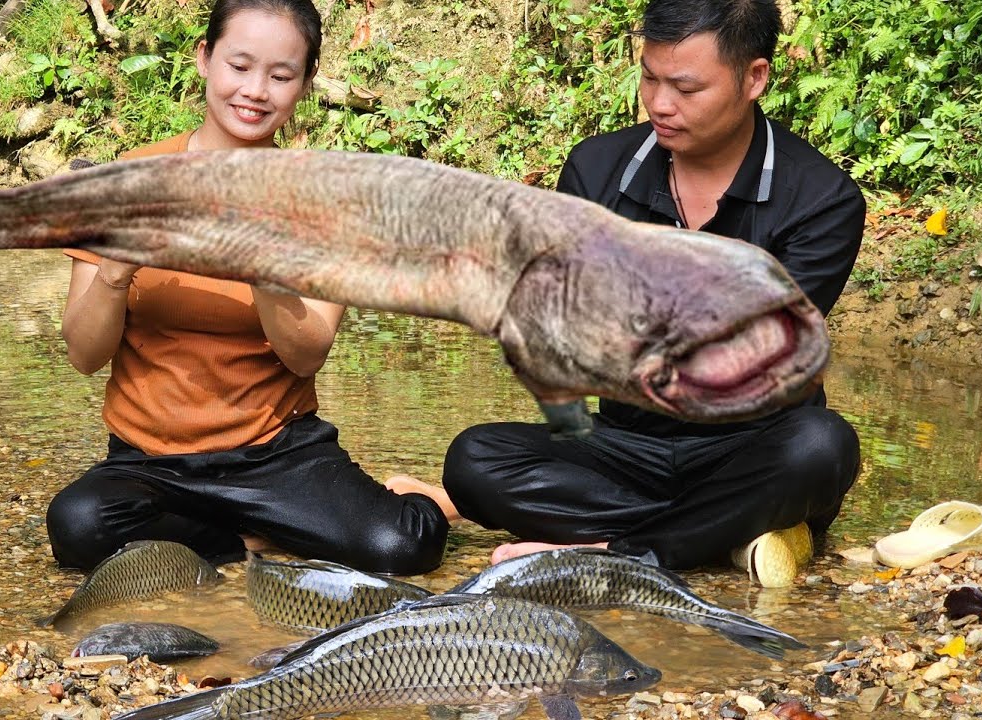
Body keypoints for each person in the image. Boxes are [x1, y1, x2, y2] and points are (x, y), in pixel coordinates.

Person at [417, 0, 864, 578]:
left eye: (685, 87)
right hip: (625, 446)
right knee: (476, 460)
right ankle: (721, 533)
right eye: (649, 77)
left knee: (822, 447)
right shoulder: (596, 169)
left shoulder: (821, 201)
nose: (659, 103)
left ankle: (627, 554)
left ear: (754, 78)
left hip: (751, 447)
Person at [45, 0, 449, 576]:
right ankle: (248, 539)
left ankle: (427, 500)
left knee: (404, 547)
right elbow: (85, 356)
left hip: (274, 456)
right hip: (149, 462)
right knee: (79, 528)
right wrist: (116, 267)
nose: (255, 90)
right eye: (239, 65)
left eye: (281, 76)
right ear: (205, 59)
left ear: (305, 85)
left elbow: (306, 355)